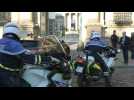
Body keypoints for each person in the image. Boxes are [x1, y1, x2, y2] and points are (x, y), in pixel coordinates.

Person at [0, 22, 61, 87]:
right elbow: (32, 59)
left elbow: (21, 52)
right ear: (17, 32)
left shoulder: (3, 41)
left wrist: (36, 52)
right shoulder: (13, 44)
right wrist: (50, 59)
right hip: (7, 77)